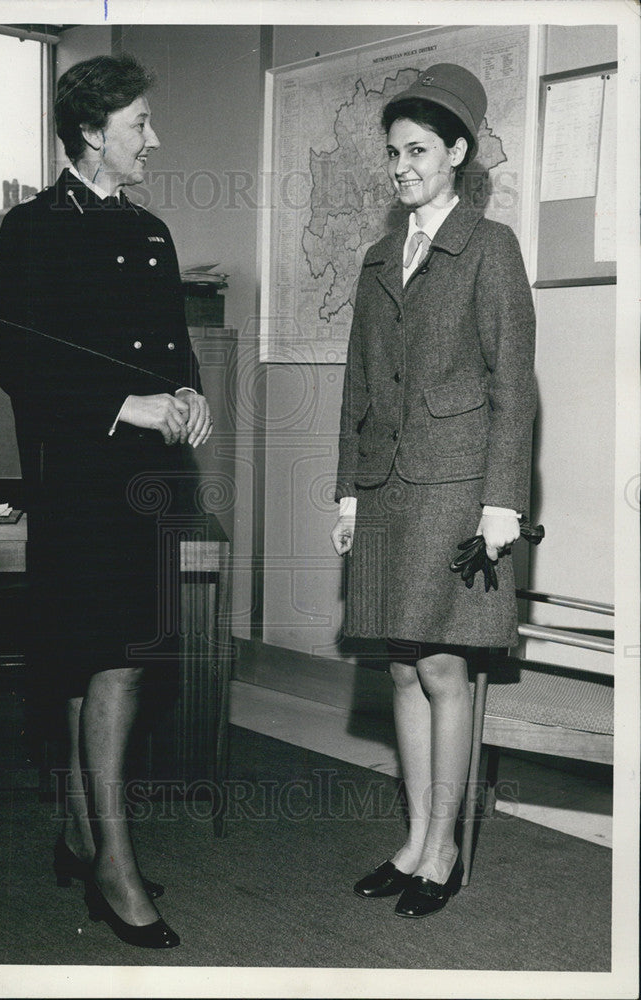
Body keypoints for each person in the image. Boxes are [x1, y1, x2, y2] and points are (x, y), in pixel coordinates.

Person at [0, 54, 212, 948]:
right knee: (107, 659)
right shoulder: (34, 228)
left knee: (111, 658)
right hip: (80, 476)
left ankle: (84, 838)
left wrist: (190, 395)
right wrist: (133, 405)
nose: (153, 140)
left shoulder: (153, 230)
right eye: (138, 126)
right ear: (92, 132)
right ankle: (115, 869)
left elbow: (173, 349)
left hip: (147, 482)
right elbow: (25, 370)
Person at [331, 64, 536, 918]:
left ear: (457, 152)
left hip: (458, 489)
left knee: (444, 665)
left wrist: (502, 503)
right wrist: (347, 492)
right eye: (393, 152)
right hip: (384, 489)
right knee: (401, 671)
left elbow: (513, 388)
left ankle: (444, 849)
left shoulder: (490, 247)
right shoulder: (382, 255)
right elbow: (356, 386)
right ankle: (413, 840)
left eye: (418, 150)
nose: (401, 166)